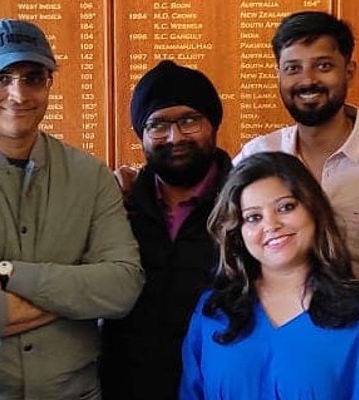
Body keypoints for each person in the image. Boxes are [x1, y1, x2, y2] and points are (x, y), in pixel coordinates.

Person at [0, 19, 143, 399]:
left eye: (33, 77)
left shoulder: (91, 176)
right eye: (1, 77)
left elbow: (122, 288)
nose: (18, 94)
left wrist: (6, 274)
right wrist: (74, 295)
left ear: (49, 83)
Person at [180, 151, 359, 400]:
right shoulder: (212, 310)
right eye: (253, 217)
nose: (271, 224)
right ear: (238, 232)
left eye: (286, 207)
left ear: (314, 210)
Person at [235, 11, 359, 283]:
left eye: (323, 66)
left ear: (349, 71)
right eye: (293, 68)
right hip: (275, 319)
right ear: (278, 75)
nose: (307, 80)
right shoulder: (256, 156)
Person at [99, 60, 233, 400]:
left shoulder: (245, 207)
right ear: (142, 135)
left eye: (189, 121)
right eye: (157, 125)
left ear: (213, 124)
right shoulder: (115, 206)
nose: (175, 137)